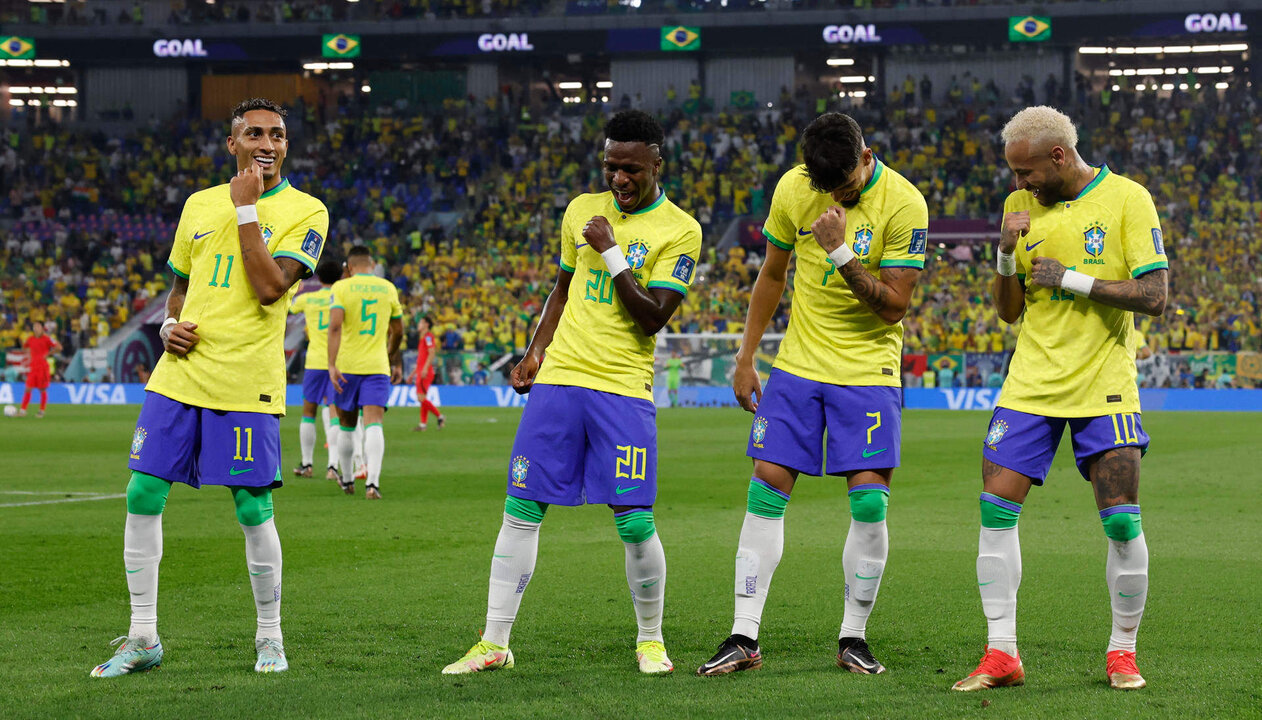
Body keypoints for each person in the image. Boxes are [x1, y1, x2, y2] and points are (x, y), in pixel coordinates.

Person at [442, 110, 702, 677]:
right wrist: (535, 350)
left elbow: (654, 316)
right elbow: (560, 290)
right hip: (560, 379)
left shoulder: (681, 230)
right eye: (610, 166)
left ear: (657, 164)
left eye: (631, 169)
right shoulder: (580, 210)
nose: (618, 179)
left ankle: (652, 639)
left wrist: (611, 253)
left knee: (633, 520)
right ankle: (493, 642)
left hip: (620, 387)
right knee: (521, 507)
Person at [92, 98, 329, 677]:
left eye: (277, 135)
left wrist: (247, 210)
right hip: (179, 376)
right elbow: (179, 287)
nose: (266, 144)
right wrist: (171, 325)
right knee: (142, 494)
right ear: (233, 144)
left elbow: (271, 288)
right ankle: (143, 635)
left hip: (246, 380)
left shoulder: (308, 210)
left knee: (252, 506)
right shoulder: (198, 204)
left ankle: (269, 637)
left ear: (286, 145)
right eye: (254, 134)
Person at [698, 112, 927, 677]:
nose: (838, 196)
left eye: (847, 186)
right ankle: (743, 634)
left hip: (867, 369)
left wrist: (841, 252)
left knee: (869, 503)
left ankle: (854, 636)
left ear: (866, 154)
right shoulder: (794, 188)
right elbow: (772, 274)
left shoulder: (905, 204)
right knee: (765, 492)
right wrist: (746, 357)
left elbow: (895, 305)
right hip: (797, 367)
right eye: (828, 189)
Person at [953, 106, 1167, 692]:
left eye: (1026, 173)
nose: (1018, 185)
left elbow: (1154, 296)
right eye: (1012, 175)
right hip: (1030, 383)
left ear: (1059, 156)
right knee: (995, 510)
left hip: (1105, 383)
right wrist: (1003, 253)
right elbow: (1008, 310)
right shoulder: (1018, 207)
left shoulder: (1128, 199)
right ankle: (1002, 654)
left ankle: (1122, 651)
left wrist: (1070, 278)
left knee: (1121, 522)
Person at [327, 245, 403, 500]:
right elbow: (398, 331)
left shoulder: (341, 287)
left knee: (347, 425)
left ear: (348, 267)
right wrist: (391, 355)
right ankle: (373, 484)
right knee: (374, 423)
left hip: (347, 367)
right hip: (377, 367)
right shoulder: (388, 288)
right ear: (372, 265)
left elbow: (335, 327)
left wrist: (331, 364)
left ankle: (348, 480)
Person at [288, 255, 344, 481]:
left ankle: (307, 464)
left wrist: (295, 284)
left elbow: (289, 308)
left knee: (308, 413)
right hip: (336, 362)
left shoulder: (308, 299)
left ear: (318, 276)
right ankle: (332, 466)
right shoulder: (342, 296)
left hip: (314, 362)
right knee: (334, 413)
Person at [406, 314, 446, 431]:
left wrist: (425, 369)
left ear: (426, 324)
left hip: (425, 372)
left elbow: (432, 353)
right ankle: (423, 425)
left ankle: (440, 416)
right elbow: (420, 359)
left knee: (421, 398)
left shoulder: (428, 337)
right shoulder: (422, 338)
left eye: (421, 323)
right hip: (421, 371)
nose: (418, 325)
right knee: (422, 399)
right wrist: (412, 374)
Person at [20, 321, 60, 417]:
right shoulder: (30, 339)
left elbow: (59, 347)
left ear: (42, 328)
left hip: (42, 367)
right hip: (33, 367)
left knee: (42, 389)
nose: (35, 328)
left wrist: (48, 354)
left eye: (38, 326)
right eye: (34, 326)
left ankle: (41, 411)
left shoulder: (47, 338)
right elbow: (24, 348)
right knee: (28, 388)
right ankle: (22, 411)